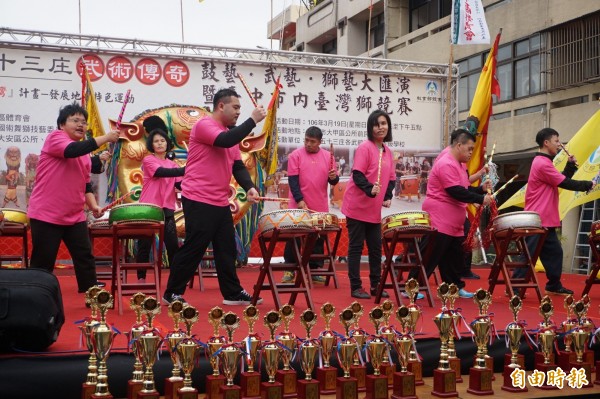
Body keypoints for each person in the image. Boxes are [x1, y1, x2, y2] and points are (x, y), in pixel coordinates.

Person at [162, 88, 267, 305]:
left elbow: (237, 165)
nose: (239, 112)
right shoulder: (205, 125)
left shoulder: (229, 132)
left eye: (240, 109)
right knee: (195, 246)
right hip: (199, 197)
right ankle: (172, 293)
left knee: (226, 248)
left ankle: (232, 293)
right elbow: (226, 141)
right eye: (236, 107)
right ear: (221, 106)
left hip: (219, 200)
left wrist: (249, 187)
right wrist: (253, 120)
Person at [27, 102, 119, 293]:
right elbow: (71, 151)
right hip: (47, 214)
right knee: (43, 261)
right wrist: (106, 138)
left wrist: (93, 205)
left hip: (74, 215)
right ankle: (35, 295)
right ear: (62, 125)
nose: (80, 125)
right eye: (75, 120)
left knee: (84, 255)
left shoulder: (84, 155)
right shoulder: (55, 138)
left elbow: (85, 184)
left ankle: (91, 292)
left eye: (83, 122)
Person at [407, 128, 493, 299]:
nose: (471, 153)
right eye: (469, 149)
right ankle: (412, 287)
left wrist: (480, 190)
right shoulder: (446, 162)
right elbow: (455, 191)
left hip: (454, 220)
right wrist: (480, 198)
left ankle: (454, 286)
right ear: (459, 145)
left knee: (454, 256)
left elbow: (464, 188)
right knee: (430, 254)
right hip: (441, 217)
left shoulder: (460, 164)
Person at [512, 127, 594, 295]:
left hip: (544, 218)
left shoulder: (544, 162)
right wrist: (587, 184)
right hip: (538, 217)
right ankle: (515, 285)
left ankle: (553, 284)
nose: (559, 144)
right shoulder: (542, 163)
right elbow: (564, 183)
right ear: (546, 142)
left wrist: (570, 166)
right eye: (556, 141)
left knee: (554, 252)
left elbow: (560, 179)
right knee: (530, 255)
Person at [342, 109, 396, 299]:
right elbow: (357, 174)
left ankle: (376, 286)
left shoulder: (388, 151)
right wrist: (370, 189)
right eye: (376, 124)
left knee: (375, 248)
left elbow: (391, 179)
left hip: (373, 209)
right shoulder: (365, 147)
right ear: (370, 127)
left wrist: (387, 195)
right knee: (356, 247)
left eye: (383, 123)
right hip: (356, 206)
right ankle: (356, 287)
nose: (380, 127)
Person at [281, 126, 339, 284]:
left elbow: (334, 181)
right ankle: (289, 269)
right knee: (294, 237)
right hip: (298, 203)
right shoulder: (295, 155)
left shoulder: (328, 156)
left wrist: (333, 177)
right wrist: (300, 200)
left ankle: (314, 270)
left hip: (319, 205)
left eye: (312, 141)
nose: (308, 144)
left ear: (320, 142)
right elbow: (293, 181)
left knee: (317, 238)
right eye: (306, 140)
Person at [136, 116, 185, 282]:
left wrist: (197, 177)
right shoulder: (149, 160)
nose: (159, 143)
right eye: (156, 141)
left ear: (167, 144)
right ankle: (141, 277)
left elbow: (181, 185)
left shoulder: (173, 165)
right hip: (148, 208)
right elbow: (160, 173)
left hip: (166, 208)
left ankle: (175, 279)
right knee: (144, 244)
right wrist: (185, 170)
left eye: (162, 140)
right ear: (151, 144)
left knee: (172, 244)